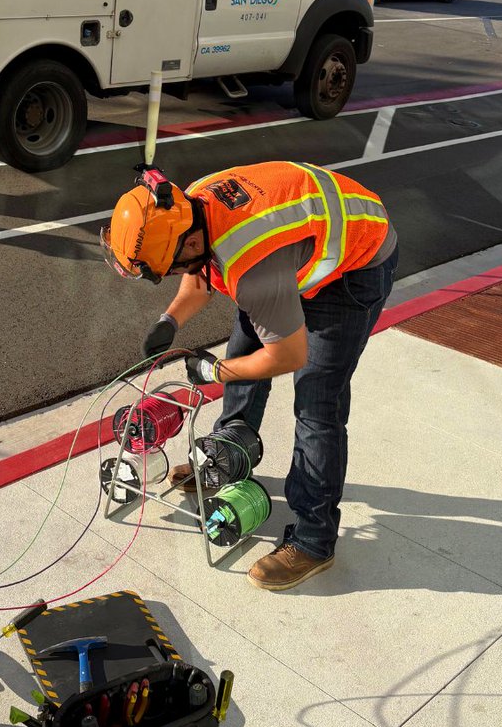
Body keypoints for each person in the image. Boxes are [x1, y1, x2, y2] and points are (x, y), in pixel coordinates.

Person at [101, 161, 397, 591]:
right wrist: (169, 321)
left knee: (317, 404)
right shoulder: (191, 203)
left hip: (355, 269)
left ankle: (315, 541)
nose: (171, 277)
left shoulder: (251, 268)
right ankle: (227, 458)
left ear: (189, 242)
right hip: (287, 256)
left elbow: (288, 355)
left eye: (168, 269)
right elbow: (200, 276)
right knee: (244, 355)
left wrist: (216, 370)